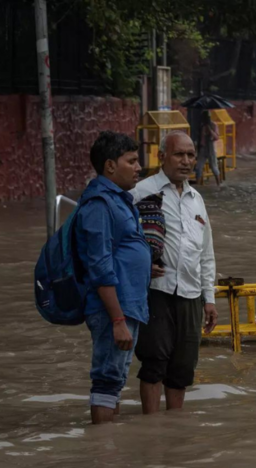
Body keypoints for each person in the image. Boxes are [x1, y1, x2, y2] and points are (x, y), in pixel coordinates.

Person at [131, 131, 219, 414]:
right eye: (179, 154)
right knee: (154, 362)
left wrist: (210, 299)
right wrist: (141, 263)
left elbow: (206, 254)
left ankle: (173, 427)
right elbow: (122, 241)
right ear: (162, 157)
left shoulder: (197, 200)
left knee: (182, 368)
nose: (186, 161)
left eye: (191, 155)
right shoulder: (141, 192)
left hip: (191, 295)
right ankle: (152, 427)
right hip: (156, 291)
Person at [75, 132, 151, 424]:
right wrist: (118, 320)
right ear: (109, 166)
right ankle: (104, 457)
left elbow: (119, 250)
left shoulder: (119, 200)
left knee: (116, 378)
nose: (138, 167)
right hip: (113, 309)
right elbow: (99, 265)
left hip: (128, 304)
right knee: (107, 378)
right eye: (131, 161)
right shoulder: (98, 205)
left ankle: (110, 448)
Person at [195, 110, 222, 186]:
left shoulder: (214, 125)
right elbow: (200, 138)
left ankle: (218, 184)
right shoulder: (201, 126)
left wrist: (209, 129)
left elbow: (216, 137)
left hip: (211, 148)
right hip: (203, 148)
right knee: (198, 167)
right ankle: (198, 185)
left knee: (214, 167)